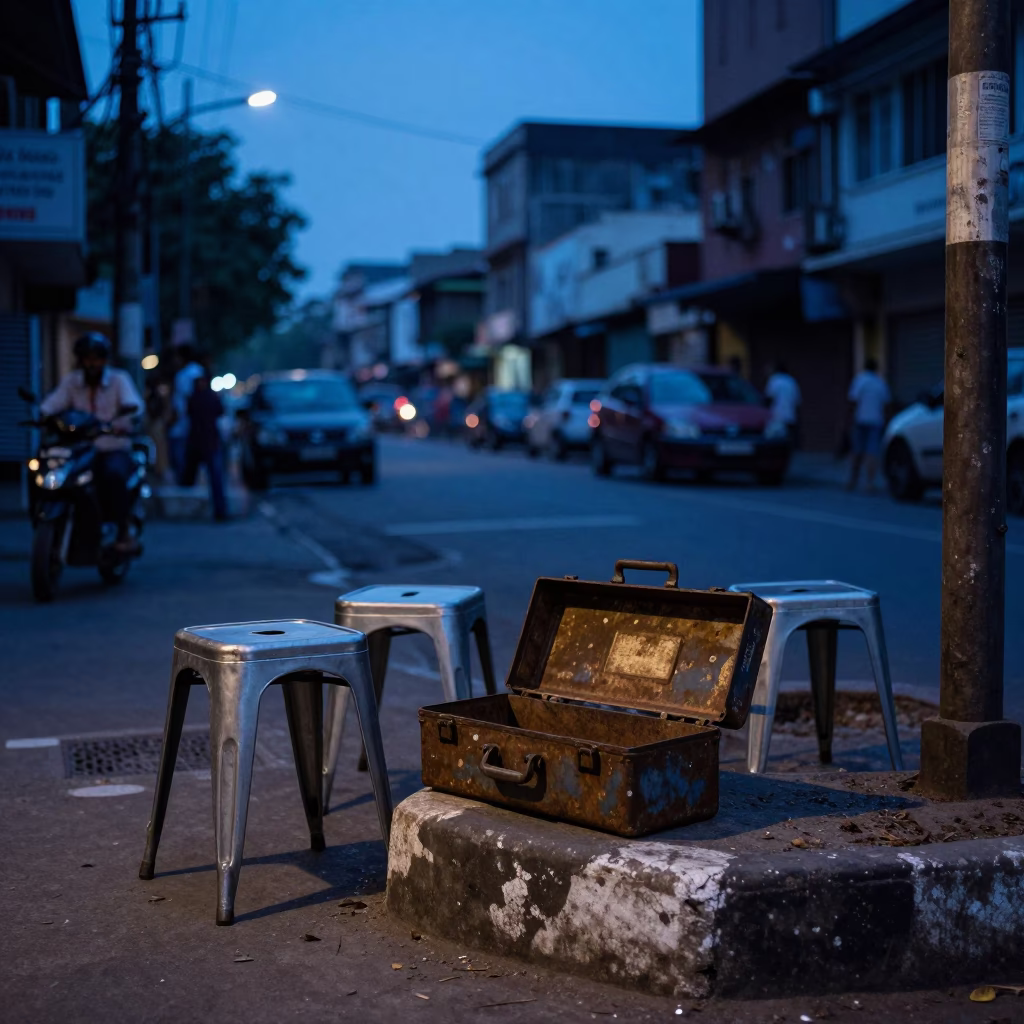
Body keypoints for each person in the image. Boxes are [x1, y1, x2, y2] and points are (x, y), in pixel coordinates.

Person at [40, 332, 143, 553]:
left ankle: (123, 532)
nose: (92, 363)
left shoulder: (119, 379)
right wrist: (42, 415)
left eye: (97, 358)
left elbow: (133, 405)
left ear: (105, 360)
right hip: (79, 449)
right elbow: (52, 404)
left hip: (112, 448)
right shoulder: (71, 382)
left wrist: (123, 422)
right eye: (87, 358)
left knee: (113, 475)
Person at [182, 371, 228, 521]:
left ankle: (219, 511)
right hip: (200, 442)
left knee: (215, 479)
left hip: (208, 442)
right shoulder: (199, 398)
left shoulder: (205, 397)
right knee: (192, 478)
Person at [847, 357, 891, 492]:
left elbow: (853, 401)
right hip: (876, 421)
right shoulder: (880, 383)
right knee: (872, 453)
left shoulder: (860, 380)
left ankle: (852, 481)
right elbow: (886, 403)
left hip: (860, 420)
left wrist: (849, 419)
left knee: (857, 451)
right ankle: (869, 483)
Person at [168, 343, 204, 484]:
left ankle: (184, 483)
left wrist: (173, 419)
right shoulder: (199, 371)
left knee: (181, 457)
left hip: (183, 423)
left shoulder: (184, 375)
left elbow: (184, 401)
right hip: (194, 424)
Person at [764, 360, 802, 447]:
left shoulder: (774, 380)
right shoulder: (791, 381)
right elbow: (797, 402)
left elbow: (769, 399)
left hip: (776, 417)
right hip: (790, 417)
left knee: (774, 443)